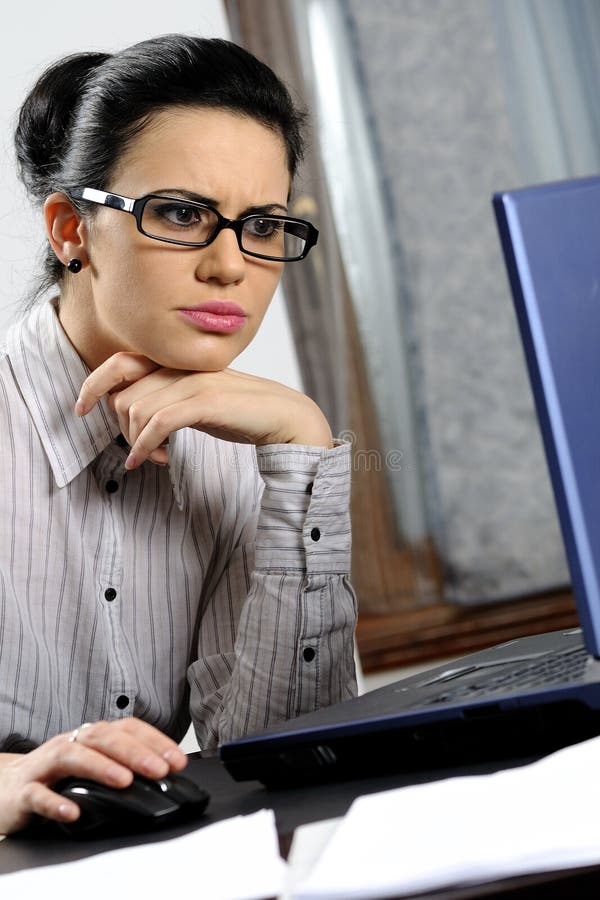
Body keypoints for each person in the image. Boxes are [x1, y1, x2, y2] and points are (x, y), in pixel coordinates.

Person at [0, 34, 357, 835]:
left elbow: (292, 754)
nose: (232, 265)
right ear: (71, 231)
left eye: (262, 225)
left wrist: (302, 447)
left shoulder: (237, 447)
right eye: (182, 214)